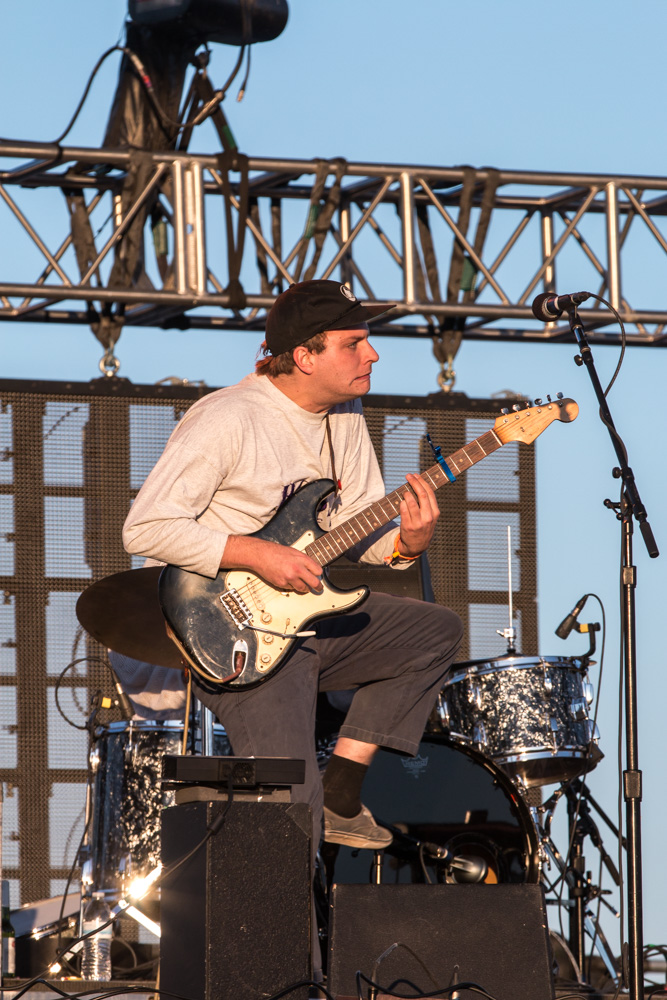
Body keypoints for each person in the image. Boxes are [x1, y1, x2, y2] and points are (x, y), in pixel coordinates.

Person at [122, 279, 463, 966]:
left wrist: (406, 544)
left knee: (434, 631)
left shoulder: (345, 417)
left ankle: (346, 783)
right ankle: (286, 974)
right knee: (287, 818)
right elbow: (147, 526)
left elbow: (361, 530)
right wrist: (255, 554)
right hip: (231, 633)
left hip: (308, 623)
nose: (371, 355)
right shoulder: (228, 418)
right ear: (303, 355)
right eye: (353, 344)